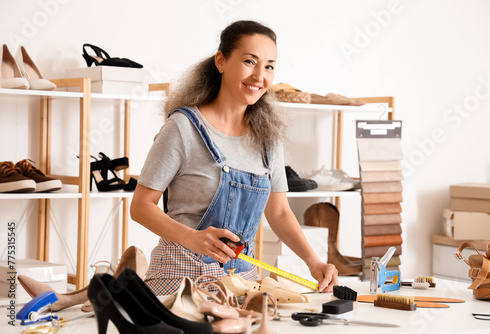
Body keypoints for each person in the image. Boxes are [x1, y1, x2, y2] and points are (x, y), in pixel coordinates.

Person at [130, 20, 338, 296]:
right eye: (250, 61)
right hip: (180, 281)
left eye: (269, 66)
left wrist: (314, 262)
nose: (259, 76)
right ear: (221, 61)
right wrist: (193, 239)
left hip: (241, 283)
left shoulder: (268, 138)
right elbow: (141, 206)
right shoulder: (183, 128)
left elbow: (278, 212)